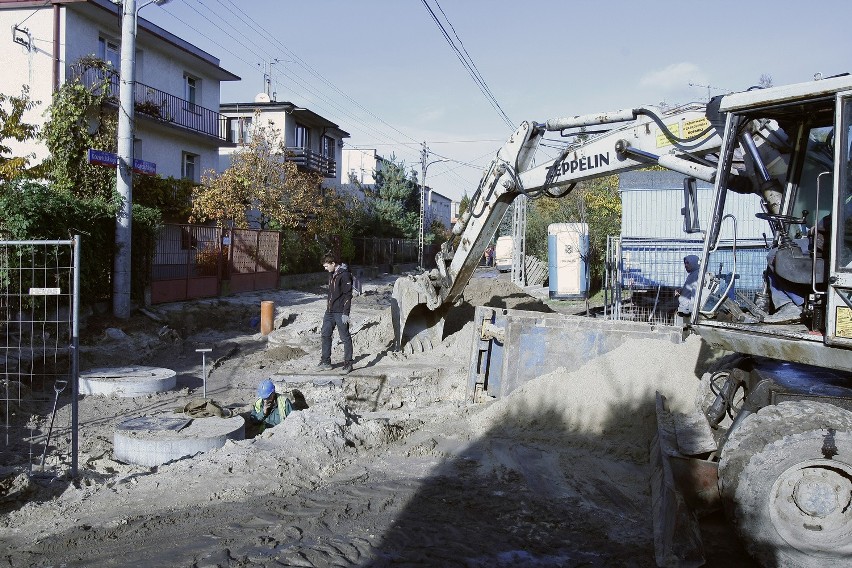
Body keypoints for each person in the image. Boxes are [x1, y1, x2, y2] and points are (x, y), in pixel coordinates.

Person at [319, 253, 354, 374]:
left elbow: (348, 295)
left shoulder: (344, 275)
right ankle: (325, 361)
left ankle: (348, 364)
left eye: (326, 266)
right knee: (325, 334)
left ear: (333, 264)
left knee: (345, 337)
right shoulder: (331, 273)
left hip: (340, 312)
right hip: (329, 311)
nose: (325, 268)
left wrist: (346, 312)